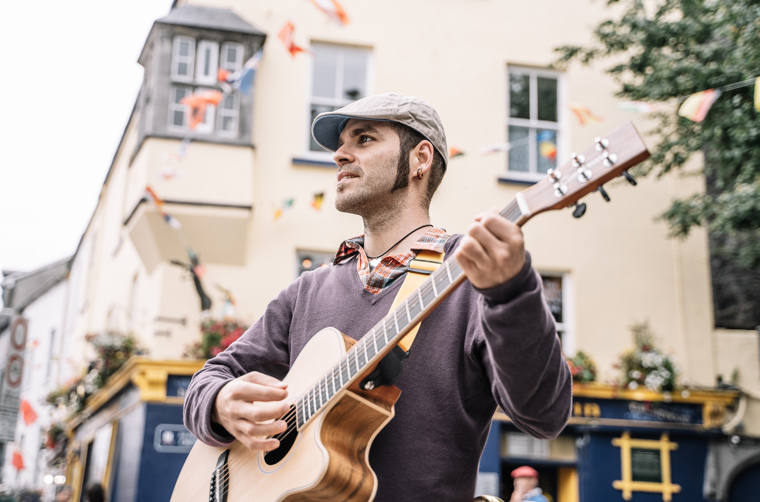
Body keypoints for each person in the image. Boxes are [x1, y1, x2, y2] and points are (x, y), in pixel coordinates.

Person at [183, 93, 572, 501]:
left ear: (420, 158)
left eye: (364, 139)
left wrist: (512, 292)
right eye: (340, 145)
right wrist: (220, 403)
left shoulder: (475, 274)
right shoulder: (306, 290)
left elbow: (545, 416)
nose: (340, 156)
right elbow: (209, 379)